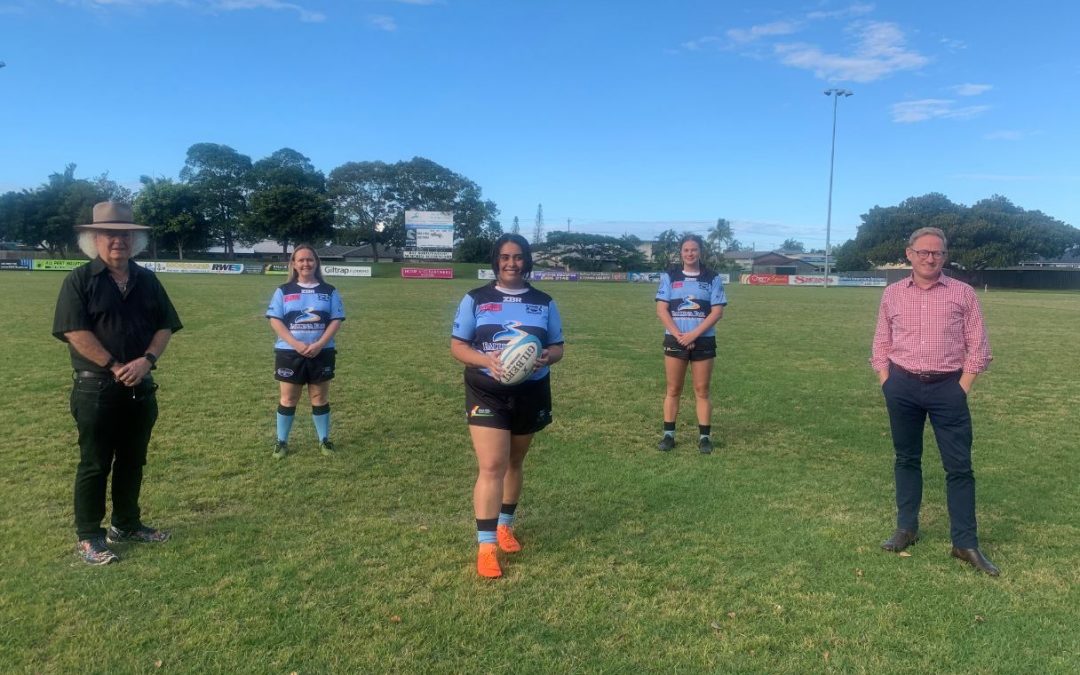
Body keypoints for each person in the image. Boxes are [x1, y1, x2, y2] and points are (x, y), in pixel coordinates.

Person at [52, 202, 183, 565]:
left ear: (134, 240)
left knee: (133, 460)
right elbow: (73, 331)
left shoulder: (147, 279)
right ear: (94, 239)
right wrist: (113, 365)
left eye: (125, 235)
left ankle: (126, 524)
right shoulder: (79, 280)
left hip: (141, 386)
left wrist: (147, 360)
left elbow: (164, 325)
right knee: (94, 463)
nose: (118, 241)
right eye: (110, 234)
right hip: (96, 388)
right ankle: (89, 536)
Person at [871, 227, 998, 576]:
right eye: (924, 252)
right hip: (902, 386)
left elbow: (980, 347)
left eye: (937, 253)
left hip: (948, 388)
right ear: (909, 254)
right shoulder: (893, 294)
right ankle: (906, 529)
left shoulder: (963, 293)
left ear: (945, 256)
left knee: (959, 467)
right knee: (906, 459)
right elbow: (881, 342)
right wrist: (887, 382)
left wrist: (961, 388)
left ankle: (965, 542)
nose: (931, 258)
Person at [450, 234, 564, 578]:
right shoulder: (476, 299)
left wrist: (547, 357)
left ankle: (505, 526)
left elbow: (558, 347)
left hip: (530, 391)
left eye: (517, 257)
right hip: (486, 390)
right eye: (504, 257)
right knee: (492, 464)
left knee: (515, 461)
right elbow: (458, 346)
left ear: (526, 261)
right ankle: (486, 546)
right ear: (495, 260)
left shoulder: (544, 302)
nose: (511, 263)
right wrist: (486, 358)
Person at [266, 244, 346, 459]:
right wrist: (295, 343)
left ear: (316, 262)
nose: (305, 263)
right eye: (300, 260)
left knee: (319, 397)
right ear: (293, 264)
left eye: (309, 259)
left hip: (322, 352)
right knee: (288, 399)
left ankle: (324, 440)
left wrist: (319, 344)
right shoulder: (283, 290)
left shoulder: (329, 291)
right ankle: (281, 441)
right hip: (289, 353)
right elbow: (275, 320)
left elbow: (336, 320)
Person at [655, 234, 727, 453]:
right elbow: (661, 309)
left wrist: (693, 334)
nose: (690, 254)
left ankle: (704, 437)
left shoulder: (712, 277)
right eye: (686, 250)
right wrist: (679, 335)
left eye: (694, 250)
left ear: (700, 252)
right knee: (673, 388)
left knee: (702, 390)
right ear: (681, 252)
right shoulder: (669, 276)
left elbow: (717, 311)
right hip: (675, 339)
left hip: (703, 340)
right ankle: (669, 435)